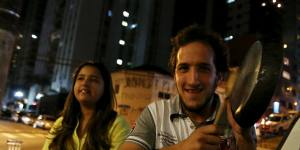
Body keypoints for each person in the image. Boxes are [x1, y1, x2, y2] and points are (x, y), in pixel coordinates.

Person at [120, 25, 256, 150]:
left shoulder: (237, 120)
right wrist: (182, 148)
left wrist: (246, 141)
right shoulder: (156, 113)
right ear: (174, 75)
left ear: (219, 76)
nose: (192, 80)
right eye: (184, 68)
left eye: (203, 69)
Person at [43, 61, 130, 150]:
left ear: (105, 88)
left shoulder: (117, 126)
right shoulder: (61, 123)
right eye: (80, 78)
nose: (85, 83)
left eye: (93, 80)